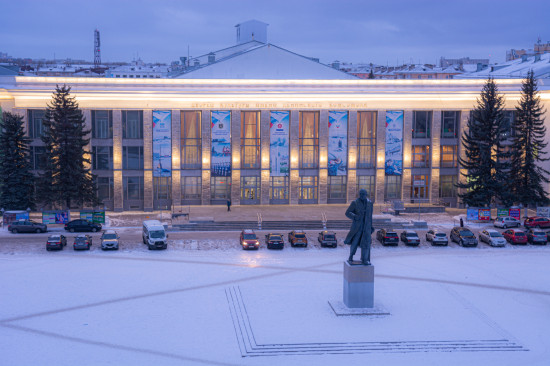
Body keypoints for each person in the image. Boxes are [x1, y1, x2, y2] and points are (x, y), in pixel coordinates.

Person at [344, 189, 374, 265]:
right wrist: (355, 216)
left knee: (366, 243)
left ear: (366, 195)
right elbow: (347, 213)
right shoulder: (355, 203)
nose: (362, 195)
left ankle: (365, 259)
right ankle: (351, 256)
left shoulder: (370, 204)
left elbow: (370, 216)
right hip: (358, 227)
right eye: (360, 194)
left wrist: (371, 226)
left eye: (363, 194)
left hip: (366, 227)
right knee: (355, 242)